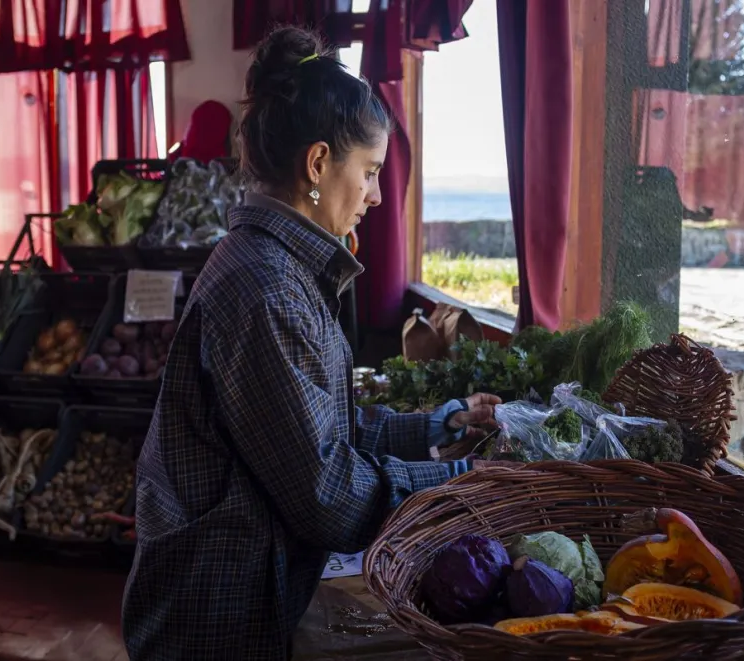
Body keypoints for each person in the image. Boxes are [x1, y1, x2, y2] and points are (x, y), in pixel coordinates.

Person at [121, 25, 501, 661]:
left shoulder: (278, 266)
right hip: (216, 615)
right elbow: (328, 495)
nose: (376, 195)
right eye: (370, 172)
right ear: (318, 164)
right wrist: (459, 482)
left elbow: (324, 428)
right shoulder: (268, 290)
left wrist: (442, 423)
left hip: (241, 591)